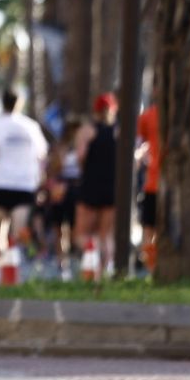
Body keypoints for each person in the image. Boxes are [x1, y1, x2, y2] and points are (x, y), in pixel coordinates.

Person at [0, 89, 49, 266]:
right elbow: (42, 154)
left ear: (2, 102)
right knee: (18, 231)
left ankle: (0, 269)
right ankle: (17, 262)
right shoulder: (31, 126)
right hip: (24, 185)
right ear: (20, 103)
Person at [72, 94, 119, 276]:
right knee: (106, 234)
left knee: (81, 234)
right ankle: (107, 269)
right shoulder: (119, 131)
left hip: (91, 186)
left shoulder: (87, 131)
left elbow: (80, 157)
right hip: (112, 187)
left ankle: (94, 263)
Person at [136, 93, 162, 271]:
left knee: (154, 232)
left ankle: (156, 267)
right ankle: (152, 270)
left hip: (166, 185)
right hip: (152, 183)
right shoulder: (148, 116)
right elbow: (138, 143)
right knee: (149, 231)